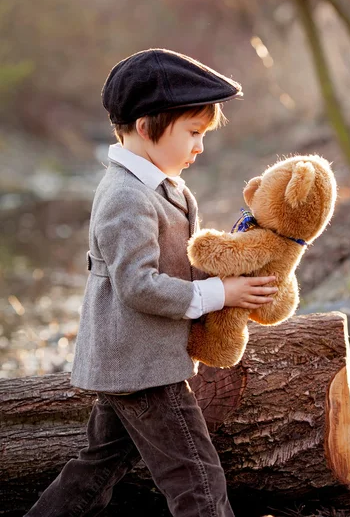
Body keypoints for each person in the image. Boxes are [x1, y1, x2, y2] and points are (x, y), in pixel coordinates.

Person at [25, 49, 277, 517]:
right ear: (146, 128)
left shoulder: (165, 186)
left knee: (98, 467)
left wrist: (229, 268)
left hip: (133, 361)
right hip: (141, 368)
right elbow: (138, 285)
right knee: (198, 481)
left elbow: (178, 264)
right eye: (194, 133)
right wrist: (220, 293)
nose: (200, 146)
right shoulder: (125, 195)